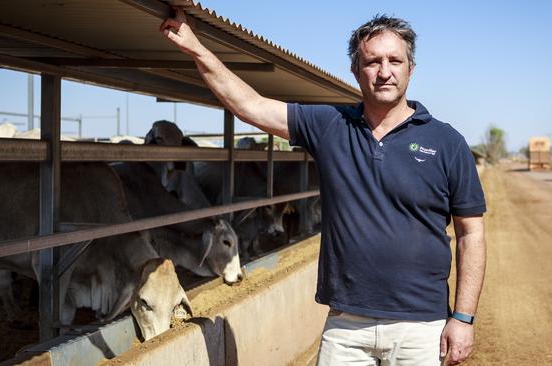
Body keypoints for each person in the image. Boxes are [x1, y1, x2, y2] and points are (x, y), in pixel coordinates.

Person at [160, 10, 486, 366]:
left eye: (395, 60)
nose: (384, 71)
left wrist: (464, 317)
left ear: (411, 68)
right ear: (355, 70)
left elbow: (471, 234)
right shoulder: (331, 125)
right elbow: (250, 105)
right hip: (345, 326)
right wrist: (198, 50)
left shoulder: (447, 142)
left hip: (421, 326)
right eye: (372, 61)